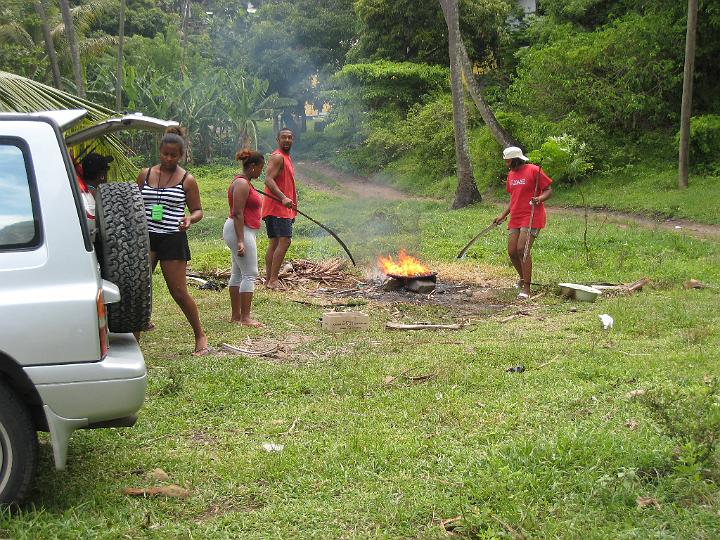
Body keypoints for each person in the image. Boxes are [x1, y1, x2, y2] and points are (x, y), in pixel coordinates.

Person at [136, 126, 209, 355]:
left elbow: (198, 210)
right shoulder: (145, 174)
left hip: (172, 238)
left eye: (173, 155)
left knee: (178, 292)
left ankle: (200, 335)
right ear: (159, 151)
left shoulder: (187, 180)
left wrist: (190, 219)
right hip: (146, 238)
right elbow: (134, 203)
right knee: (139, 289)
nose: (168, 158)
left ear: (181, 155)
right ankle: (133, 342)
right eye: (165, 154)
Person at [493, 146, 553, 300]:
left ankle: (527, 287)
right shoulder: (511, 175)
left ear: (515, 159)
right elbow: (513, 199)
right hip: (516, 216)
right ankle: (522, 277)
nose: (506, 163)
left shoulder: (534, 170)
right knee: (512, 251)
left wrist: (539, 199)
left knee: (522, 249)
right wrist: (502, 215)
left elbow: (548, 190)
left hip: (532, 215)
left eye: (507, 160)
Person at [223, 149, 265, 327]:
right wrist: (241, 240)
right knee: (250, 273)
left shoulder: (245, 182)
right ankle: (245, 318)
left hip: (242, 229)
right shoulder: (241, 184)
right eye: (261, 168)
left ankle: (236, 315)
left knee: (238, 273)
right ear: (253, 166)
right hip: (240, 229)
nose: (261, 172)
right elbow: (238, 213)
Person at [262, 127, 296, 289]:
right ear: (278, 140)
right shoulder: (277, 157)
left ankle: (270, 279)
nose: (287, 140)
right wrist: (282, 198)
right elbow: (268, 180)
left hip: (281, 208)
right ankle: (273, 279)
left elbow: (287, 184)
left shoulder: (287, 158)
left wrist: (292, 210)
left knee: (274, 242)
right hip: (276, 207)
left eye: (290, 137)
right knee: (285, 241)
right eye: (284, 137)